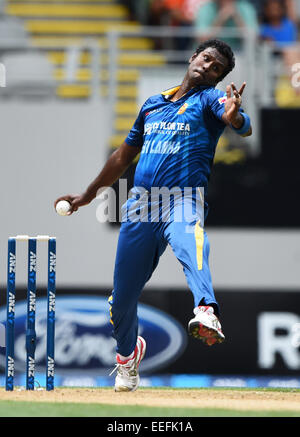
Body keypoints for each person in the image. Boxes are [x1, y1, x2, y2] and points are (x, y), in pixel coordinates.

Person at [54, 39, 252, 392]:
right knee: (122, 299)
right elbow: (122, 155)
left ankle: (206, 309)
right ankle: (128, 356)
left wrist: (234, 114)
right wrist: (88, 194)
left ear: (218, 77)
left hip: (183, 200)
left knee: (191, 240)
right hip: (141, 205)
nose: (208, 67)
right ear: (193, 57)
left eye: (216, 68)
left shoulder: (209, 100)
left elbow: (238, 121)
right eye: (206, 59)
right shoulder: (153, 104)